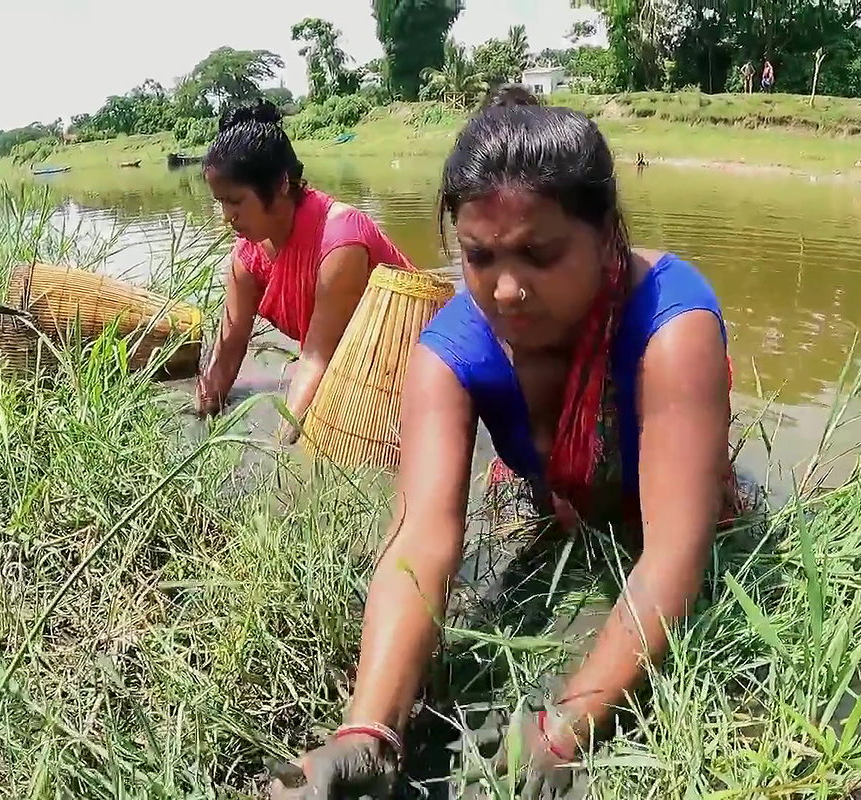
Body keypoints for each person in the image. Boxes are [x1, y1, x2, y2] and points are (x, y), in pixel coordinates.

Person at [270, 86, 745, 799]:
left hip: (668, 523)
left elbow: (675, 553)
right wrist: (366, 731)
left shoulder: (672, 327)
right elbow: (419, 541)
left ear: (607, 233)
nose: (508, 289)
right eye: (480, 257)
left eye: (540, 254)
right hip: (562, 513)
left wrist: (567, 726)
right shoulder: (449, 354)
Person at [195, 100, 416, 442]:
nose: (226, 215)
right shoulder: (247, 255)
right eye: (220, 202)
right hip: (350, 368)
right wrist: (201, 420)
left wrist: (281, 453)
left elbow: (315, 358)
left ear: (281, 184)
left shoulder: (339, 241)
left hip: (411, 364)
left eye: (236, 201)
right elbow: (228, 347)